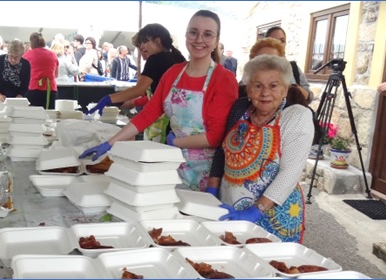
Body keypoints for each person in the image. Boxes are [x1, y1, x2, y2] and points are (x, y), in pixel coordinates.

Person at [80, 10, 238, 191]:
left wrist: (176, 142)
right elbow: (149, 113)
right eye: (193, 32)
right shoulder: (173, 74)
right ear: (186, 35)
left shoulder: (223, 79)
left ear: (216, 41)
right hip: (171, 166)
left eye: (207, 34)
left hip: (208, 175)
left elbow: (216, 137)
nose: (199, 39)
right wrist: (110, 143)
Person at [207, 55, 313, 243]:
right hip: (230, 207)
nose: (265, 92)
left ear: (285, 89)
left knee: (270, 267)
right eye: (257, 85)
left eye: (273, 85)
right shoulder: (240, 108)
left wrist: (256, 210)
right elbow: (222, 151)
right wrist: (212, 191)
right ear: (248, 89)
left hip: (273, 214)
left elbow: (290, 172)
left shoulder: (297, 117)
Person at [88, 23, 187, 144]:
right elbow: (159, 96)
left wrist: (108, 99)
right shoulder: (176, 57)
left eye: (145, 42)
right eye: (140, 45)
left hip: (162, 121)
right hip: (180, 120)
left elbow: (139, 90)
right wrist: (134, 102)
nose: (142, 48)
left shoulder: (156, 59)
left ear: (158, 41)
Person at [265, 26, 313, 101]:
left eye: (282, 40)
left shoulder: (293, 67)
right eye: (274, 40)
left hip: (294, 110)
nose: (279, 44)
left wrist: (300, 92)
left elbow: (309, 96)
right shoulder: (255, 67)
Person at [22, 32, 59, 109]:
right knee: (49, 114)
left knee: (34, 115)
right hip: (50, 88)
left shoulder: (27, 55)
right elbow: (56, 75)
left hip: (33, 88)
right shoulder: (53, 54)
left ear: (31, 43)